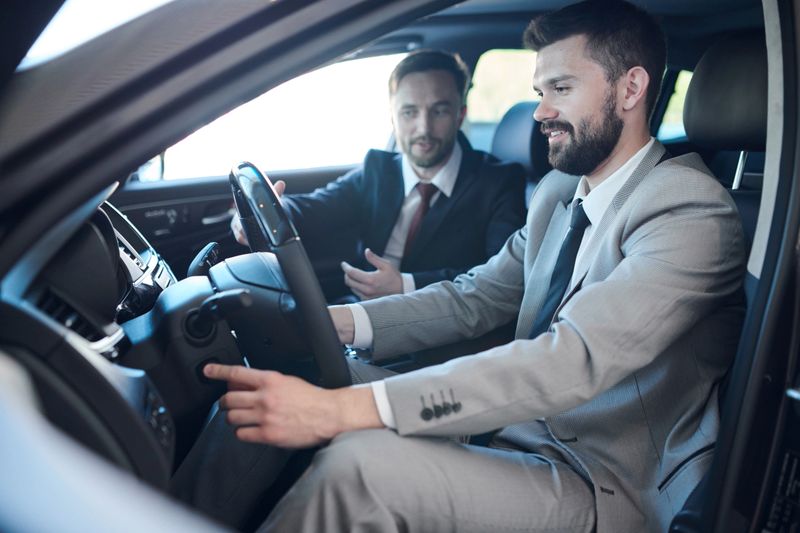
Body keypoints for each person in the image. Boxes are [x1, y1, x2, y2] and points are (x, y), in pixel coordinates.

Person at [205, 1, 746, 531]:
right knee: (271, 382)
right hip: (511, 425)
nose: (540, 112)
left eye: (561, 88)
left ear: (630, 89)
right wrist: (334, 321)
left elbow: (573, 358)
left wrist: (346, 410)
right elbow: (477, 295)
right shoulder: (560, 194)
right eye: (540, 92)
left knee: (360, 470)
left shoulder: (690, 211)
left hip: (599, 478)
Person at [231, 50, 525, 302]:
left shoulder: (498, 182)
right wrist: (268, 213)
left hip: (441, 325)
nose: (423, 128)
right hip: (359, 309)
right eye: (409, 112)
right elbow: (314, 208)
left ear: (460, 115)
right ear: (393, 118)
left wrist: (406, 285)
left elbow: (500, 275)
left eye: (439, 111)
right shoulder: (378, 170)